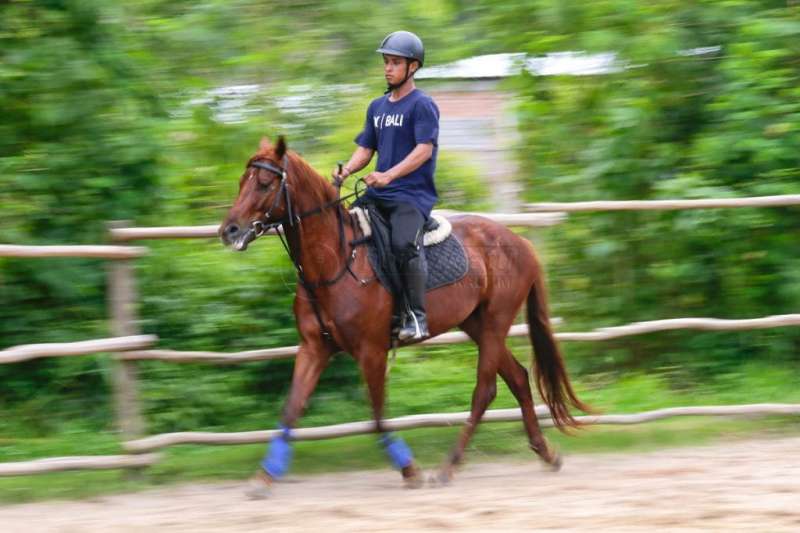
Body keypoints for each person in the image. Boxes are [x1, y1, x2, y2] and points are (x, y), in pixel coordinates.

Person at [333, 30, 440, 341]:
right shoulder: (376, 107)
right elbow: (366, 149)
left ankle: (417, 318)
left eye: (395, 63)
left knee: (402, 245)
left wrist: (389, 175)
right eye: (386, 62)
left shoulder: (422, 105)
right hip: (377, 194)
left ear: (413, 66)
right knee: (342, 231)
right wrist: (347, 169)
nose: (388, 68)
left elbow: (424, 150)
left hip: (411, 196)